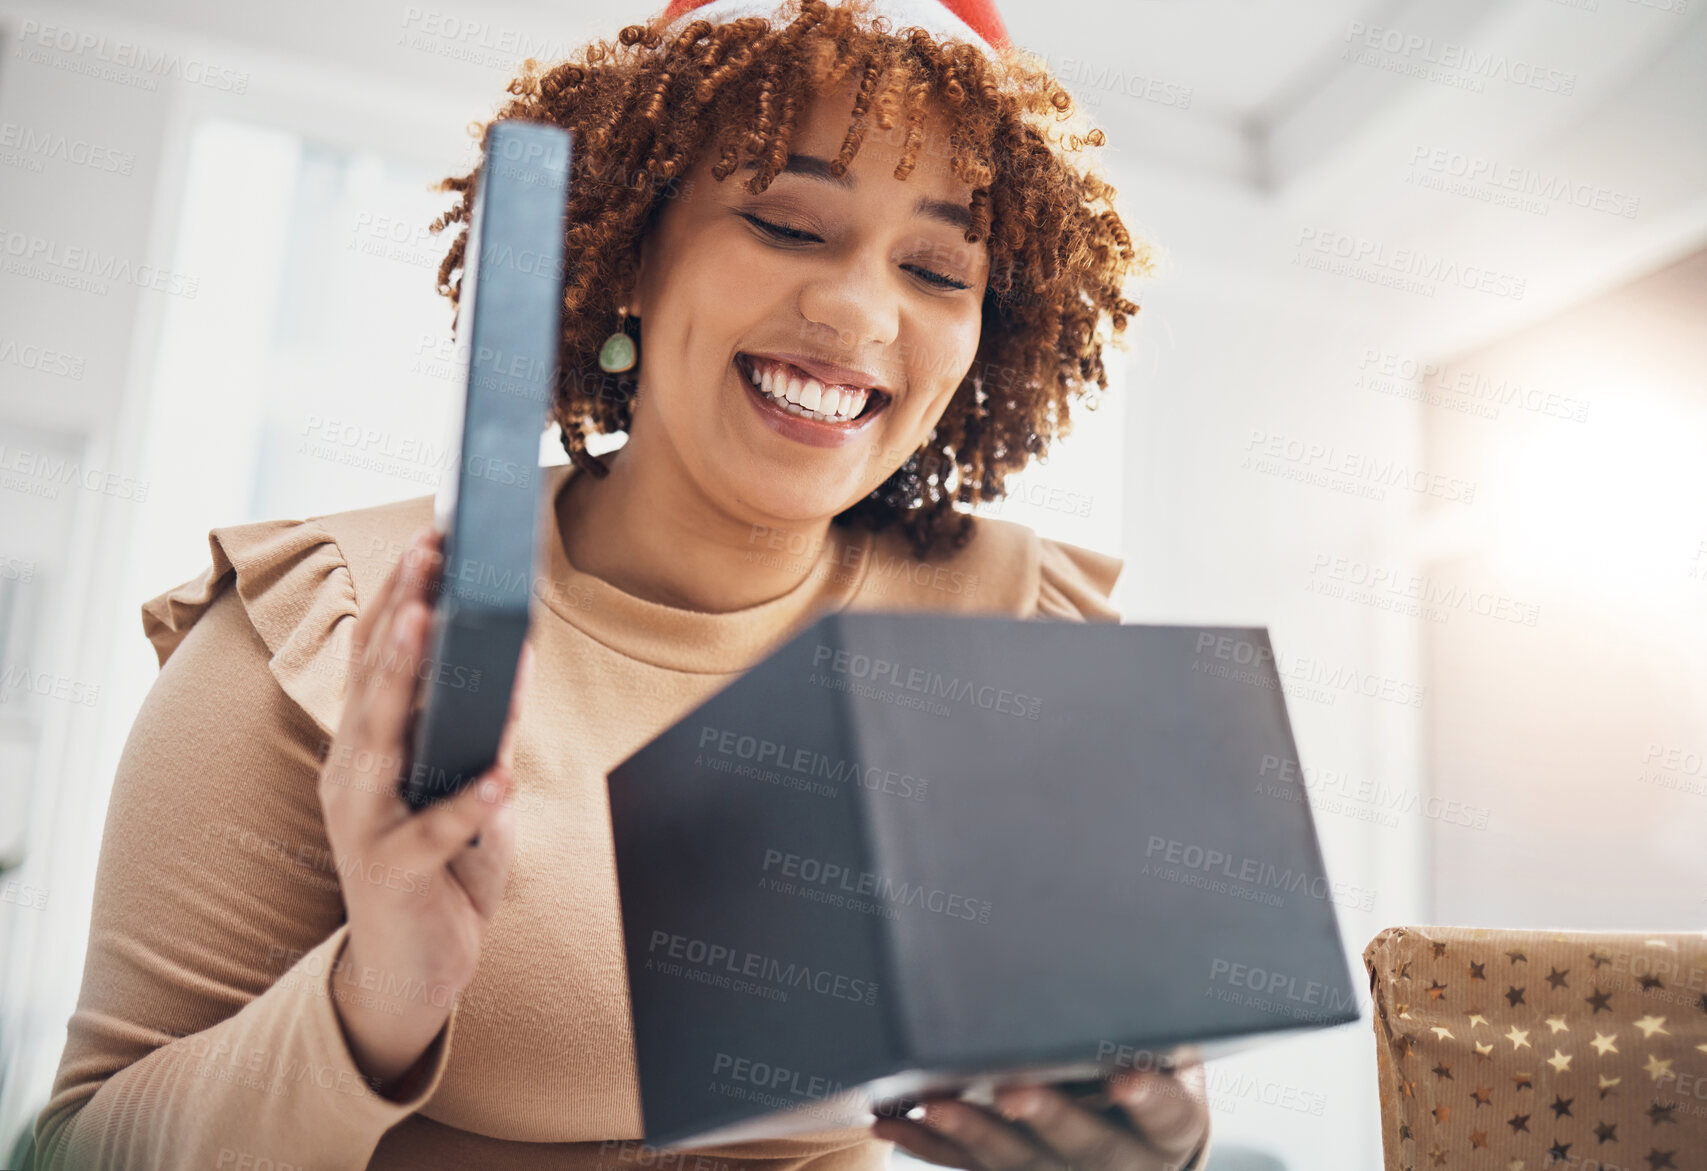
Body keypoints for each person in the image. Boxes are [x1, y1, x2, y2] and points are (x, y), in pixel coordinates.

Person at [28, 0, 1210, 1167]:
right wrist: (370, 1000)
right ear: (633, 244)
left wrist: (1146, 1140)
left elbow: (1091, 1077)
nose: (859, 310)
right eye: (789, 223)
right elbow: (73, 1152)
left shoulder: (1016, 634)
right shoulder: (336, 631)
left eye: (938, 268)